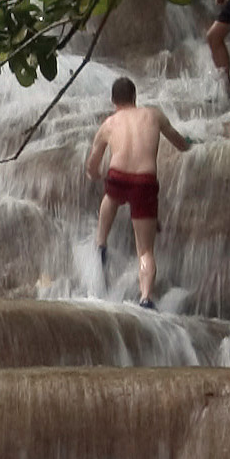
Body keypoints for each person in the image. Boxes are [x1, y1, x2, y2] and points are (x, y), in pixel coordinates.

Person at [86, 76, 193, 309]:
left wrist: (94, 174)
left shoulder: (109, 124)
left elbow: (92, 165)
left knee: (110, 196)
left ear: (113, 101)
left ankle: (100, 244)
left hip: (117, 176)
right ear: (135, 97)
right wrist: (191, 144)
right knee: (145, 251)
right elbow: (178, 140)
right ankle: (146, 297)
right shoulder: (153, 115)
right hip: (144, 181)